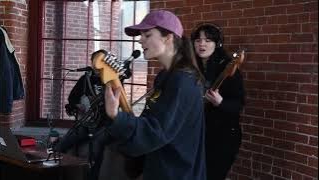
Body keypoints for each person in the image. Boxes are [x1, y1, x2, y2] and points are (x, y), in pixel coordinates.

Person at [101, 10, 206, 180]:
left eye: (147, 35)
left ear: (168, 37)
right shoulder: (166, 76)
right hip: (160, 167)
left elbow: (157, 131)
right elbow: (153, 120)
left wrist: (116, 116)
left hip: (177, 172)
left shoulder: (182, 80)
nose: (140, 40)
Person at [191, 23, 245, 180]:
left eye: (207, 40)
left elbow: (238, 104)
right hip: (197, 134)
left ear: (217, 43)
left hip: (223, 137)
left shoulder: (229, 69)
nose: (202, 44)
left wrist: (220, 102)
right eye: (198, 40)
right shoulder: (190, 67)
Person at [55, 49, 114, 180]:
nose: (97, 67)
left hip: (104, 125)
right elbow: (72, 99)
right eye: (95, 63)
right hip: (87, 122)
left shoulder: (113, 80)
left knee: (95, 151)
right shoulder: (85, 79)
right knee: (61, 145)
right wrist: (78, 106)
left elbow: (119, 104)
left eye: (101, 62)